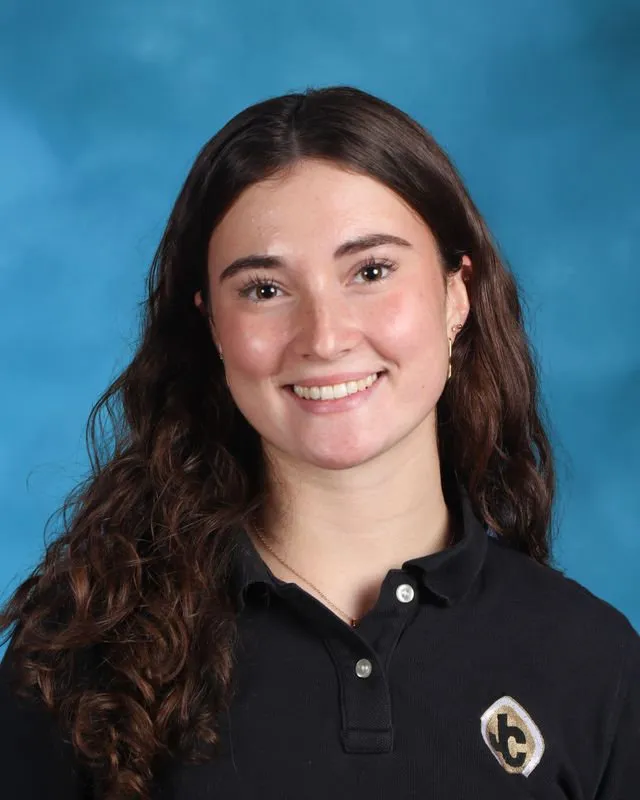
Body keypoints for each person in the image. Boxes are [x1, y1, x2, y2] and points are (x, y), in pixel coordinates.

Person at [0, 85, 638, 800]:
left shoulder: (593, 660)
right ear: (211, 326)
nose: (325, 337)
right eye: (264, 289)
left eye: (371, 272)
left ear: (457, 295)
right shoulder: (84, 655)